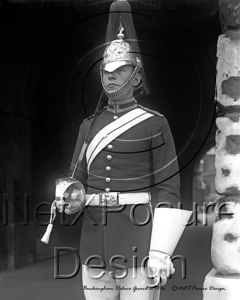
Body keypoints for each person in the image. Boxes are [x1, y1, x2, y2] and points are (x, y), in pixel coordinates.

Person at [58, 1, 180, 299]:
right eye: (105, 71)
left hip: (138, 243)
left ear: (136, 77)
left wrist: (161, 249)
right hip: (94, 245)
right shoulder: (88, 126)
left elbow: (168, 190)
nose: (110, 75)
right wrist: (67, 199)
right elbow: (78, 182)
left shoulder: (154, 124)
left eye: (119, 69)